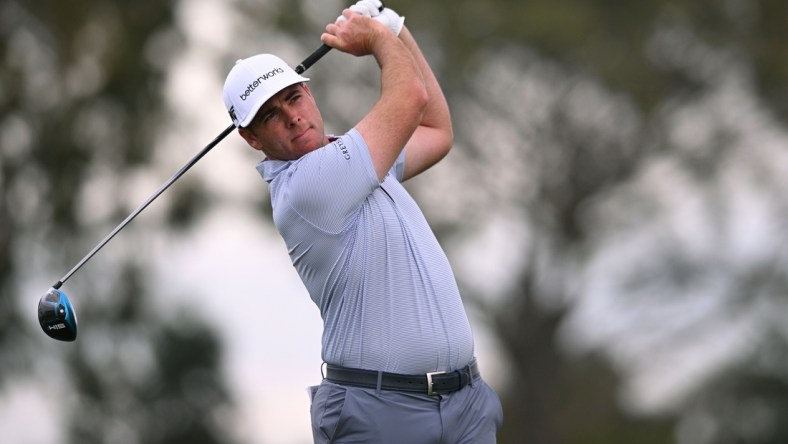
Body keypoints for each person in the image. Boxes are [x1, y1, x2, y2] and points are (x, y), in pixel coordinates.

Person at [223, 2, 503, 442]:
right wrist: (376, 38)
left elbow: (436, 130)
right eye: (270, 115)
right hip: (381, 413)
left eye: (293, 98)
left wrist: (395, 28)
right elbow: (410, 97)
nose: (292, 116)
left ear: (309, 94)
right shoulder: (307, 187)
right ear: (251, 137)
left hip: (465, 403)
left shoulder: (356, 160)